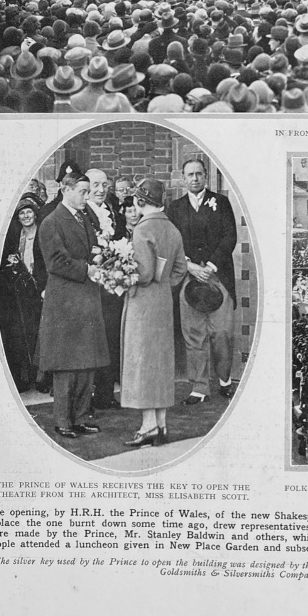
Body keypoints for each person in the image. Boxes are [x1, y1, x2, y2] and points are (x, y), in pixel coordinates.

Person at [37, 171, 109, 440]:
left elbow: (90, 249)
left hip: (86, 299)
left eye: (88, 192)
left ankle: (79, 417)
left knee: (86, 363)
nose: (86, 197)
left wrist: (102, 258)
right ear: (65, 190)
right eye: (82, 191)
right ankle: (63, 421)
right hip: (65, 302)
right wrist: (88, 268)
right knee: (67, 365)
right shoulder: (51, 222)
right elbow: (55, 261)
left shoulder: (83, 217)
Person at [120, 177, 188, 447]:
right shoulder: (172, 229)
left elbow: (145, 273)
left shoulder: (141, 229)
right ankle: (161, 424)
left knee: (143, 362)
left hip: (143, 304)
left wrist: (124, 277)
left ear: (140, 201)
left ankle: (148, 426)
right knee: (160, 362)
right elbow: (180, 269)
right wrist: (164, 285)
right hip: (162, 302)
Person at [167, 158, 238, 404]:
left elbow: (230, 236)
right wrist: (189, 265)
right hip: (189, 277)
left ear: (206, 176)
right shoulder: (174, 208)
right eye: (190, 175)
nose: (194, 178)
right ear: (183, 178)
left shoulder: (221, 203)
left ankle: (225, 380)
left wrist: (209, 266)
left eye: (199, 174)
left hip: (218, 277)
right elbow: (171, 242)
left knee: (221, 333)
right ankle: (199, 388)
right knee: (194, 334)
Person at [84, 167, 124, 410]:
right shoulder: (81, 212)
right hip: (89, 286)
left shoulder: (110, 210)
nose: (100, 190)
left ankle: (106, 393)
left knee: (110, 337)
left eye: (104, 185)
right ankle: (87, 396)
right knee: (91, 342)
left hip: (109, 286)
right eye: (95, 185)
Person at [0, 194, 46, 391]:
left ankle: (42, 378)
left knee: (40, 334)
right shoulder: (16, 238)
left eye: (29, 212)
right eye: (22, 213)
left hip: (40, 289)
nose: (26, 216)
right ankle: (28, 375)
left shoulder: (42, 234)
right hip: (24, 291)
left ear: (35, 214)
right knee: (26, 333)